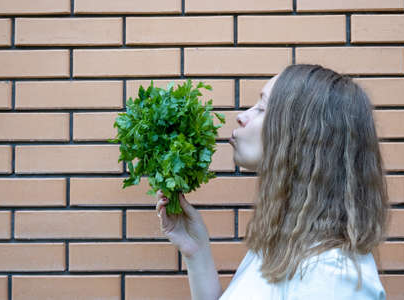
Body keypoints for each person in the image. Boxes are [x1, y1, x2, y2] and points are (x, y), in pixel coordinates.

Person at [156, 64, 389, 300]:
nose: (241, 117)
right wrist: (197, 252)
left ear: (302, 135)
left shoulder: (330, 276)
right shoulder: (282, 248)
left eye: (261, 108)